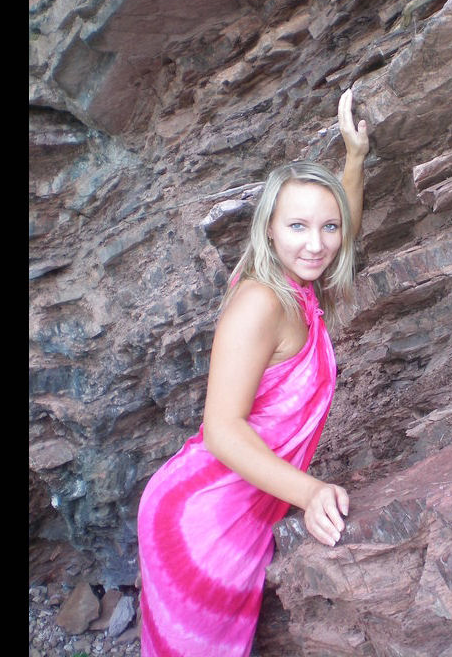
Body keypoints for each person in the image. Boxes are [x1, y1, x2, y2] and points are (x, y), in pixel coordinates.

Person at [136, 89, 369, 656]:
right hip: (204, 521)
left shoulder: (302, 283)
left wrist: (355, 159)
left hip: (244, 509)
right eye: (297, 226)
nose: (315, 244)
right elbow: (222, 429)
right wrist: (311, 493)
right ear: (269, 229)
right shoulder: (261, 302)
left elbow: (336, 231)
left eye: (328, 227)